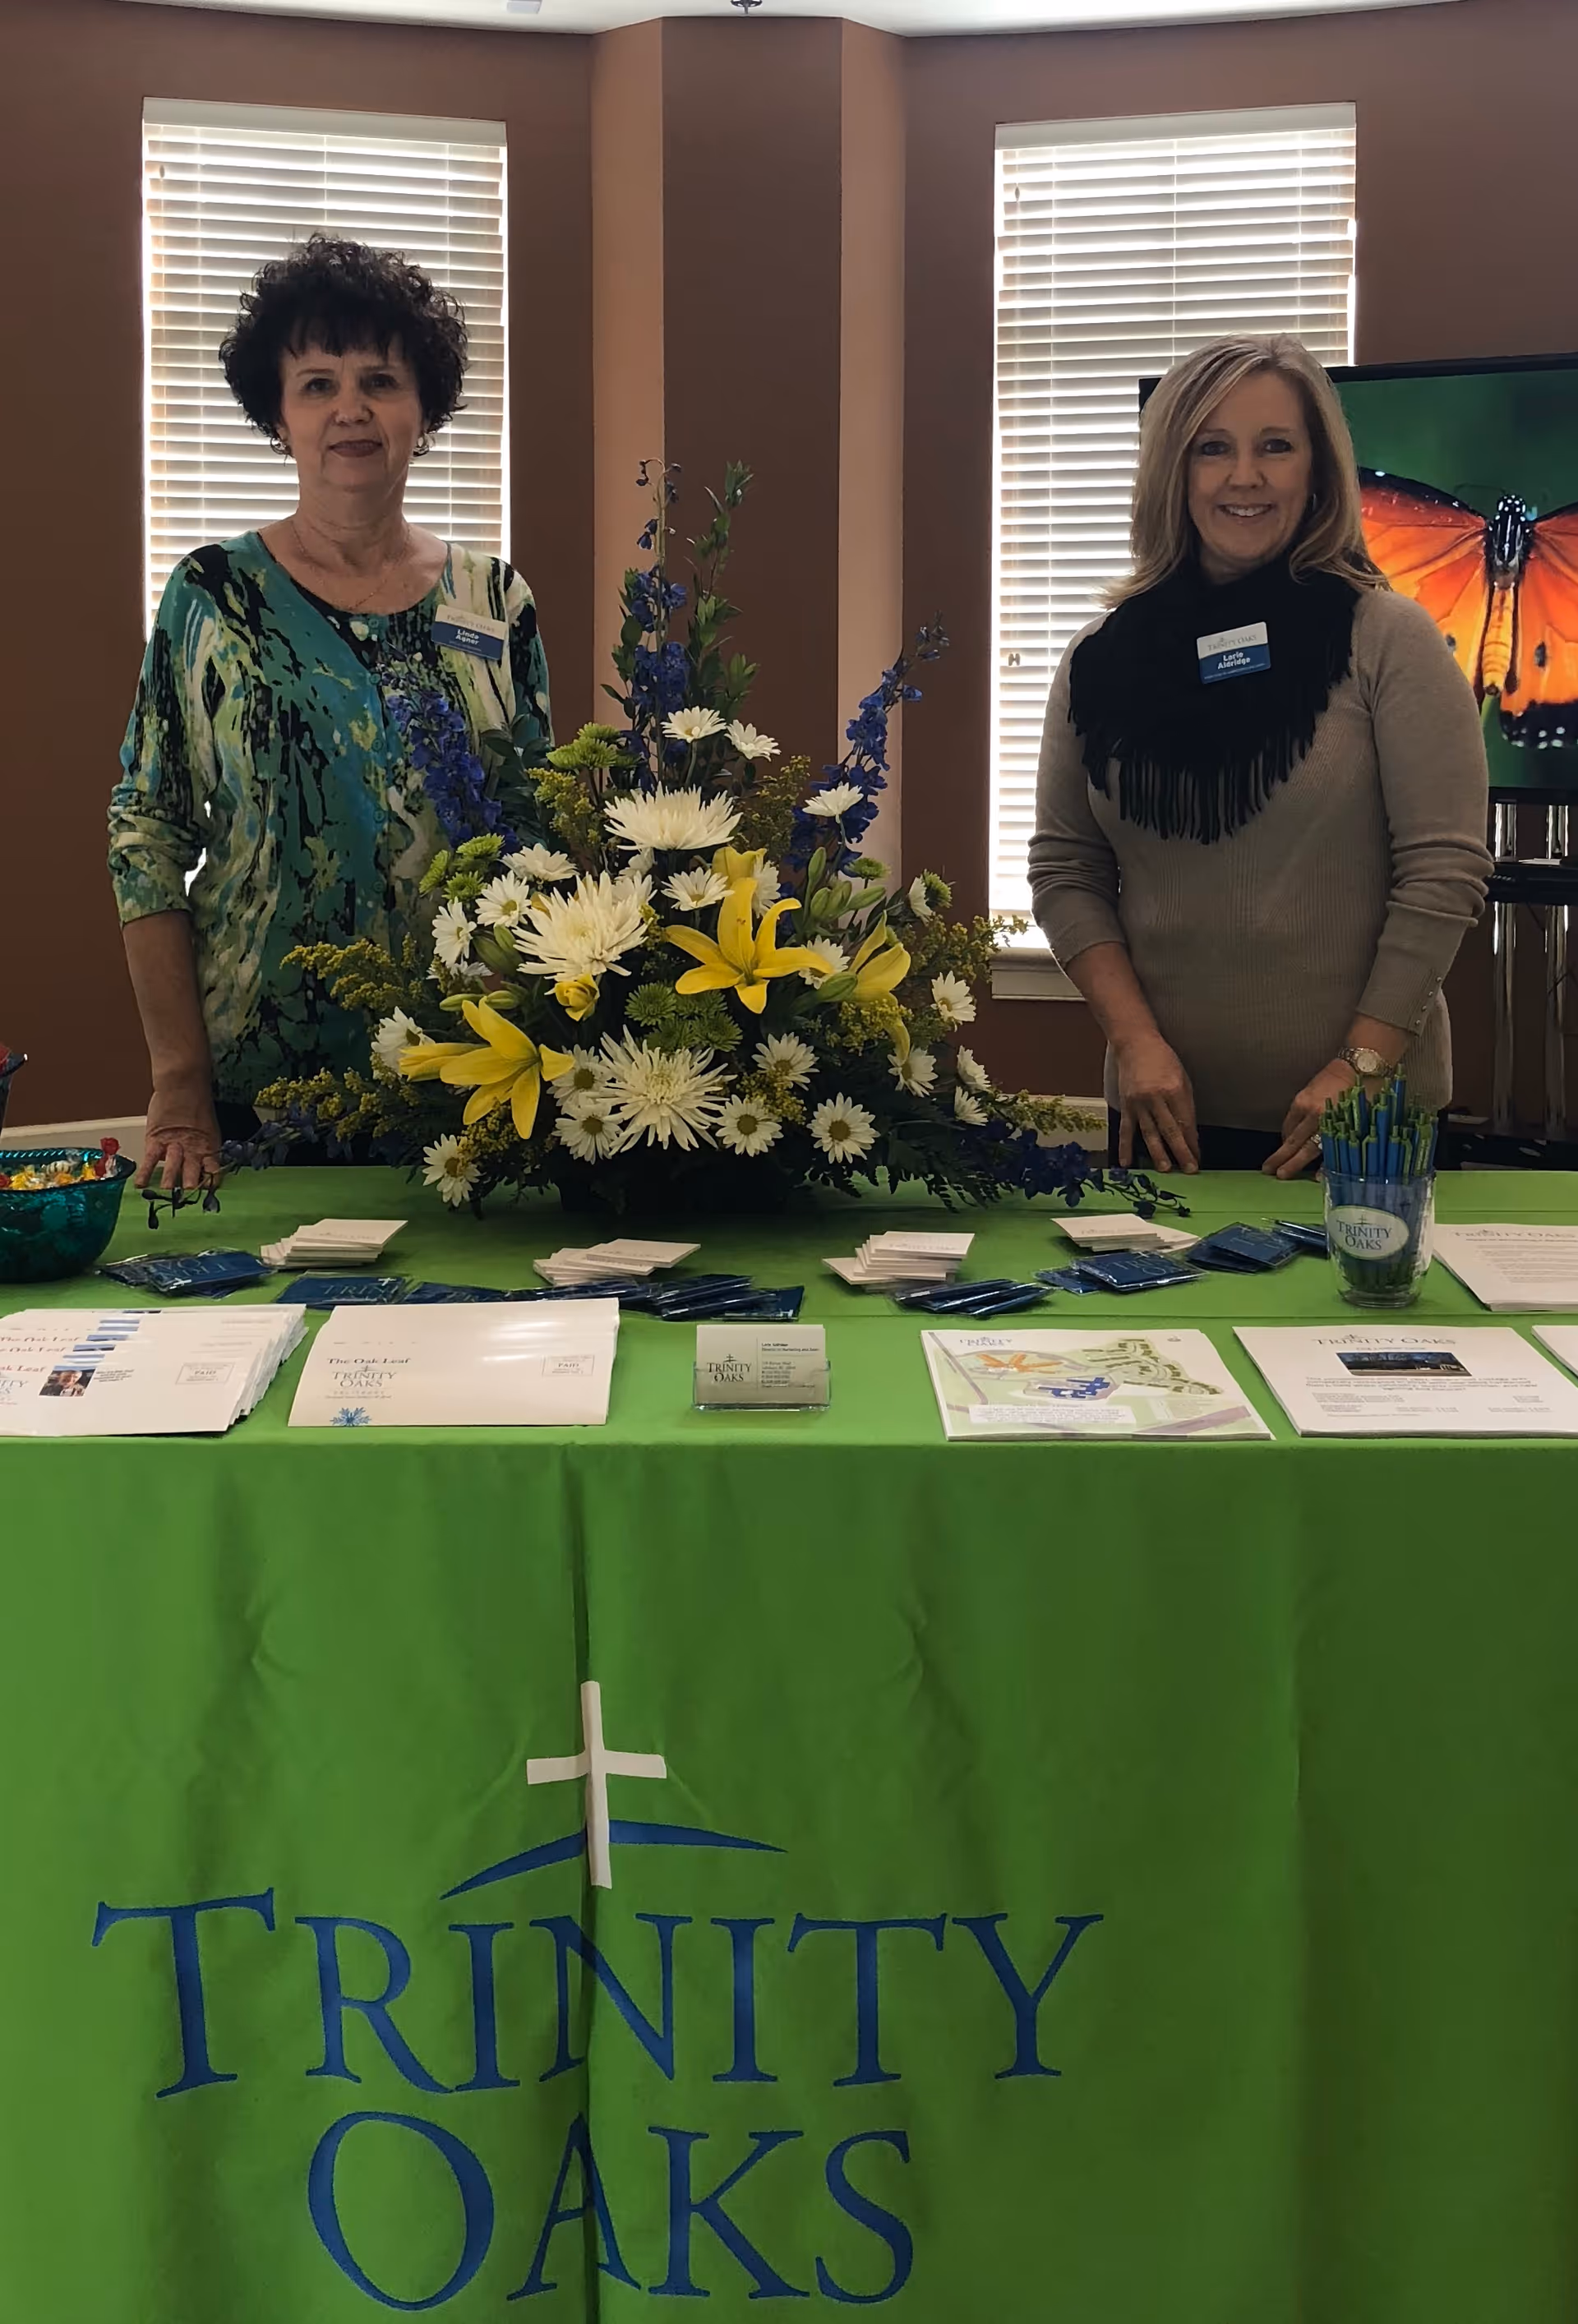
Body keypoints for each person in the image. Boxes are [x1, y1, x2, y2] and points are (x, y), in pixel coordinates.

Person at [110, 234, 553, 1188]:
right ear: (279, 415)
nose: (350, 408)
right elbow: (144, 834)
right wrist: (178, 1084)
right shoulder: (213, 598)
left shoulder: (494, 601)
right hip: (253, 1105)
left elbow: (539, 842)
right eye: (316, 383)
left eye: (380, 380)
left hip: (461, 1087)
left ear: (423, 407)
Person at [1028, 334, 1492, 1179]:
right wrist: (1134, 1044)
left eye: (1275, 445)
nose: (1245, 476)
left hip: (1358, 1120)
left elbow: (1444, 871)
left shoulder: (1391, 639)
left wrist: (1360, 1067)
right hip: (1165, 1118)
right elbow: (1066, 869)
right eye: (1213, 448)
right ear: (1174, 469)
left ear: (1317, 470)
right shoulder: (1098, 658)